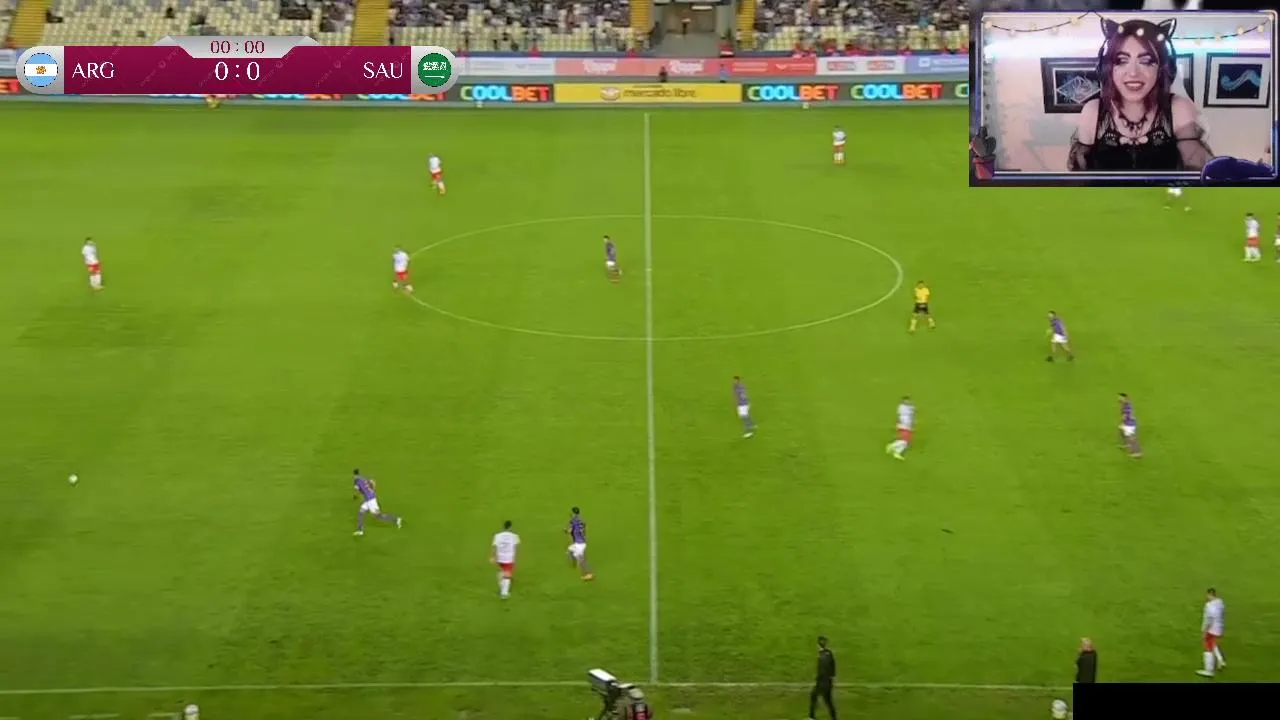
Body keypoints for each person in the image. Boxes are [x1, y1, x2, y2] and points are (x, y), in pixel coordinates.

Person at [1068, 18, 1212, 172]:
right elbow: (1082, 176)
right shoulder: (1093, 111)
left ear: (1162, 69)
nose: (1133, 73)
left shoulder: (1178, 108)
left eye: (1146, 61)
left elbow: (1195, 170)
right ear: (1107, 68)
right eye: (1121, 60)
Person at [1198, 588, 1226, 677]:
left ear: (1210, 595)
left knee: (1208, 647)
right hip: (1219, 628)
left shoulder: (1209, 606)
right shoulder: (1220, 602)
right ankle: (1220, 660)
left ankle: (1209, 670)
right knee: (1213, 644)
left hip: (1211, 630)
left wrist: (1205, 631)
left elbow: (1209, 620)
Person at [808, 636, 837, 720]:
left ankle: (811, 717)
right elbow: (833, 666)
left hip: (822, 682)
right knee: (828, 701)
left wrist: (818, 679)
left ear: (818, 645)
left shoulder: (822, 655)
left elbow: (823, 669)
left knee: (814, 695)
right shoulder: (829, 653)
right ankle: (834, 718)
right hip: (828, 681)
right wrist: (832, 677)